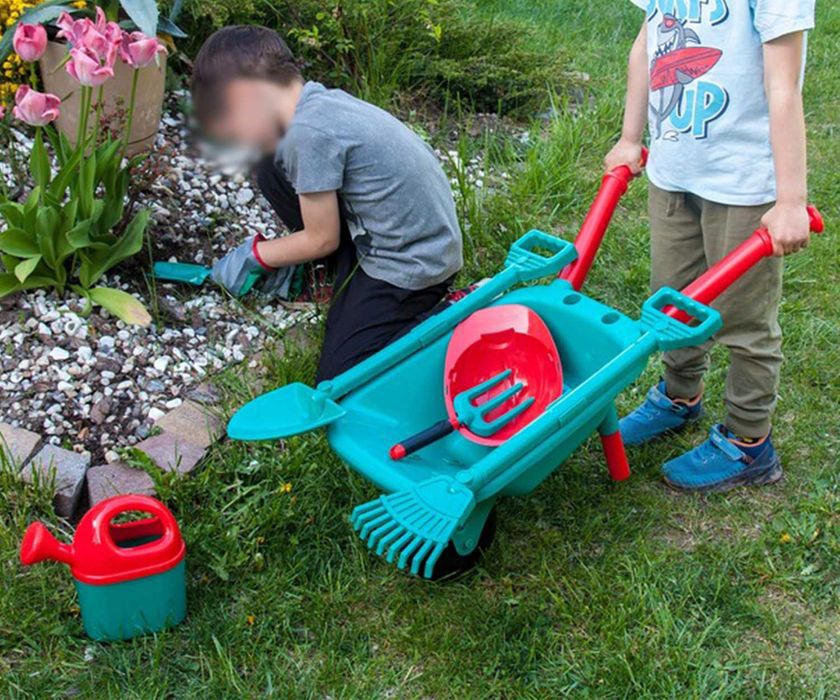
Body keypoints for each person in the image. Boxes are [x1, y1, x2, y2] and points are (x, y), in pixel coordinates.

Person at [605, 0, 815, 492]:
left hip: (742, 182)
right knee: (673, 301)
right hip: (675, 170)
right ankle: (679, 396)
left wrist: (791, 199)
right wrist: (631, 137)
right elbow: (647, 41)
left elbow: (783, 85)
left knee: (744, 322)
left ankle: (749, 443)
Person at [190, 26, 463, 382]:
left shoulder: (306, 135)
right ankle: (327, 275)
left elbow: (323, 239)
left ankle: (450, 316)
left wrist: (256, 256)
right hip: (409, 233)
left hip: (414, 266)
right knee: (270, 162)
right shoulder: (315, 103)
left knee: (342, 378)